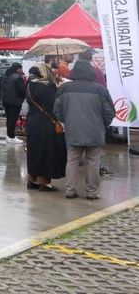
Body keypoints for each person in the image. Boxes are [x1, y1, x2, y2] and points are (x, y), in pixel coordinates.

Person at [54, 60, 116, 200]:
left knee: (72, 160)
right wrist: (102, 124)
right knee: (93, 161)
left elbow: (57, 110)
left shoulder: (64, 88)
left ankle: (70, 190)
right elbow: (110, 112)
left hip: (72, 130)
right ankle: (92, 192)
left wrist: (66, 121)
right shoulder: (100, 89)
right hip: (95, 132)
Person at [24, 64, 66, 192]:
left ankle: (32, 180)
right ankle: (45, 182)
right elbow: (55, 105)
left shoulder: (30, 85)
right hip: (46, 123)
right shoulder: (46, 88)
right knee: (47, 152)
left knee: (34, 152)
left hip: (32, 122)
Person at [0, 63, 26, 144]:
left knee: (9, 119)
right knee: (13, 119)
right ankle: (11, 137)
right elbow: (22, 91)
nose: (21, 71)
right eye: (21, 69)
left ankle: (9, 136)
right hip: (14, 102)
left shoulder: (4, 75)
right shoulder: (18, 78)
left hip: (5, 101)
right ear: (18, 69)